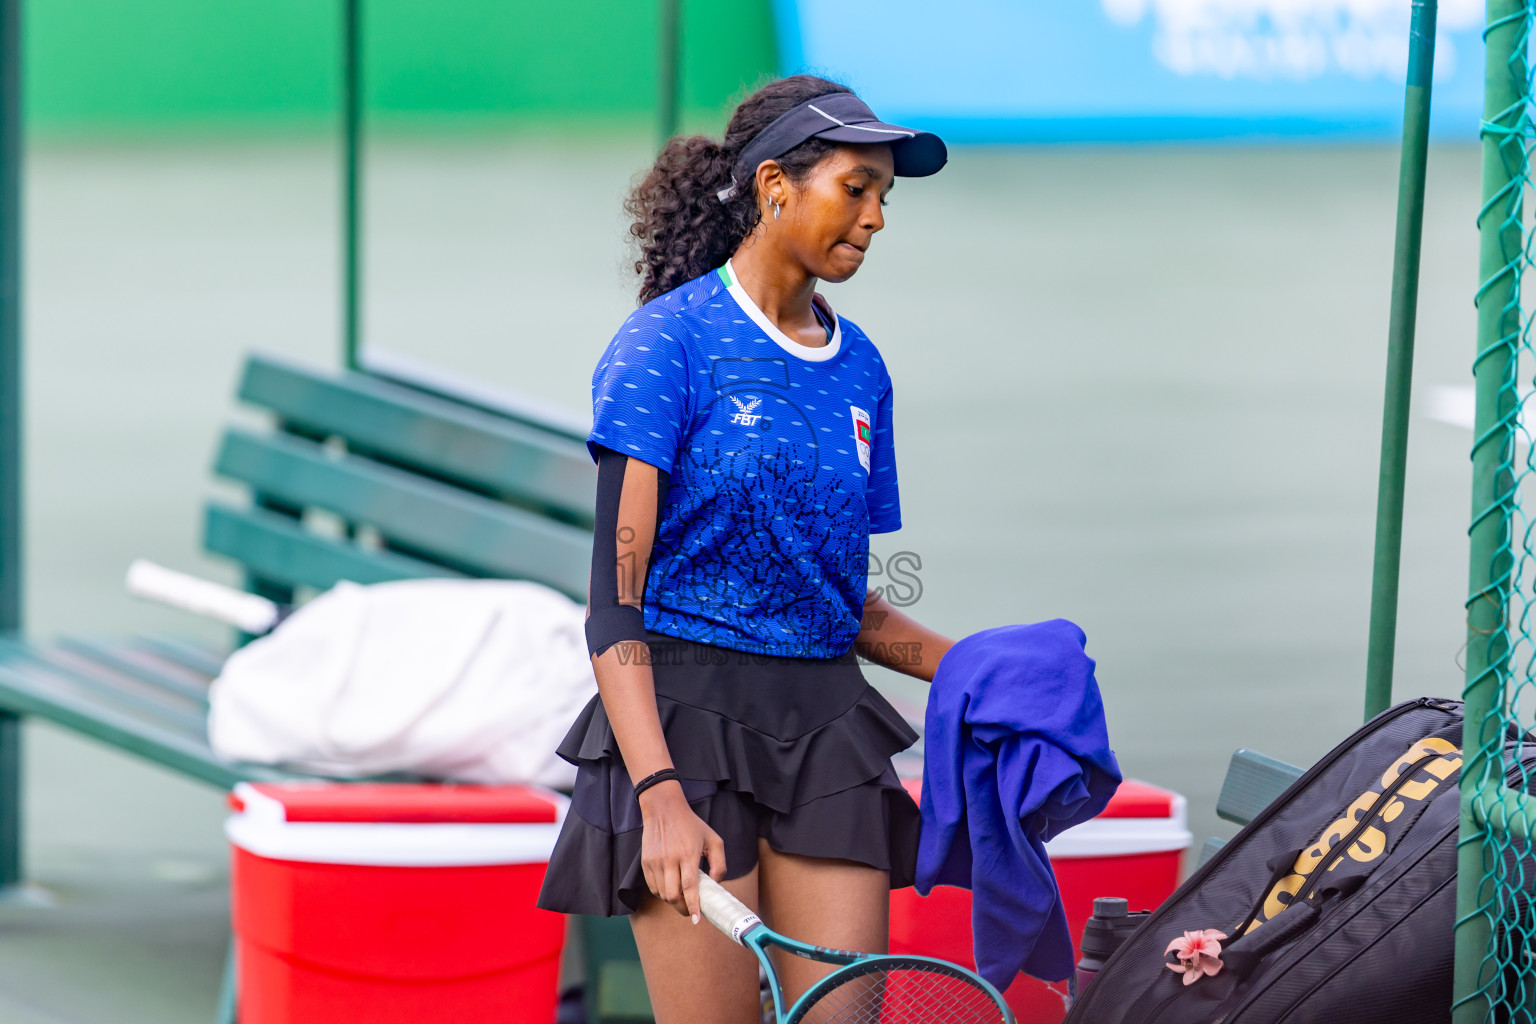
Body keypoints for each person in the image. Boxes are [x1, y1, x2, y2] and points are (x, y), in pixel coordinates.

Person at [535, 74, 953, 1024]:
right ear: (774, 186)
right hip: (679, 730)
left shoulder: (862, 368)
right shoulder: (665, 346)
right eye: (857, 187)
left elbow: (840, 606)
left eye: (886, 195)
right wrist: (658, 796)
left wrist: (973, 668)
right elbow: (615, 602)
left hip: (824, 735)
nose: (878, 216)